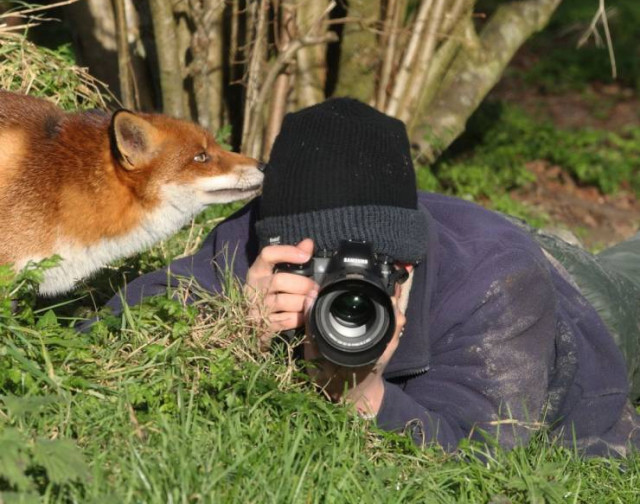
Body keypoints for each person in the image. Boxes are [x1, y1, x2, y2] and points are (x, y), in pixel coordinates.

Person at [95, 97, 640, 456]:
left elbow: (483, 453)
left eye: (378, 271)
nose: (343, 292)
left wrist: (365, 395)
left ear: (407, 260)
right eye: (313, 266)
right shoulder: (260, 243)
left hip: (576, 300)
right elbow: (110, 333)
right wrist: (231, 316)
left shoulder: (496, 284)